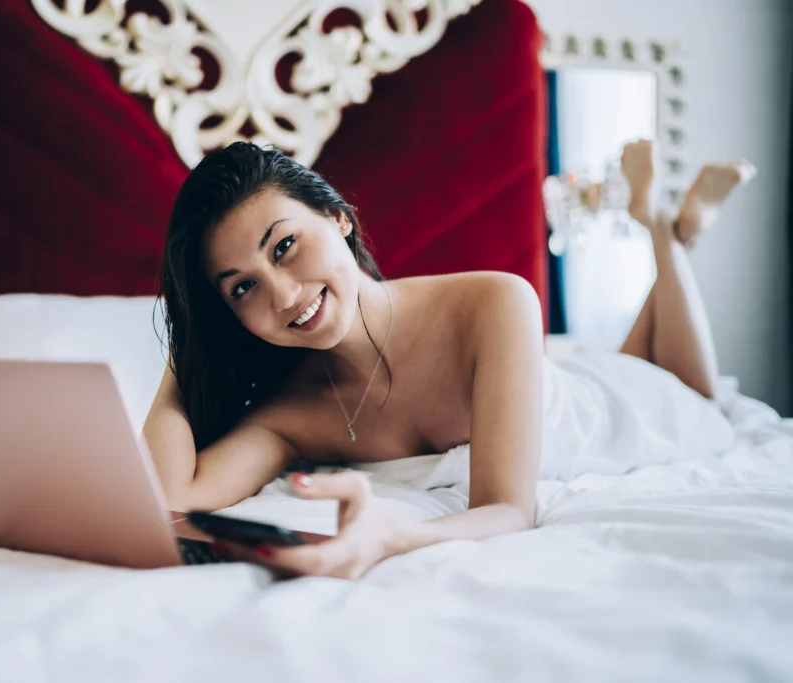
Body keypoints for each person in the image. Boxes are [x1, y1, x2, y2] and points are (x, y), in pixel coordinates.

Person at [142, 139, 755, 580]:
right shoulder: (290, 416)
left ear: (339, 219)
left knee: (700, 397)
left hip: (611, 413)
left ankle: (662, 227)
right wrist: (190, 340)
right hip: (585, 380)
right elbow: (172, 498)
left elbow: (508, 509)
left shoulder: (494, 300)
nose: (282, 296)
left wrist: (393, 537)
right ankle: (675, 228)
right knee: (639, 359)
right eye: (242, 287)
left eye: (284, 246)